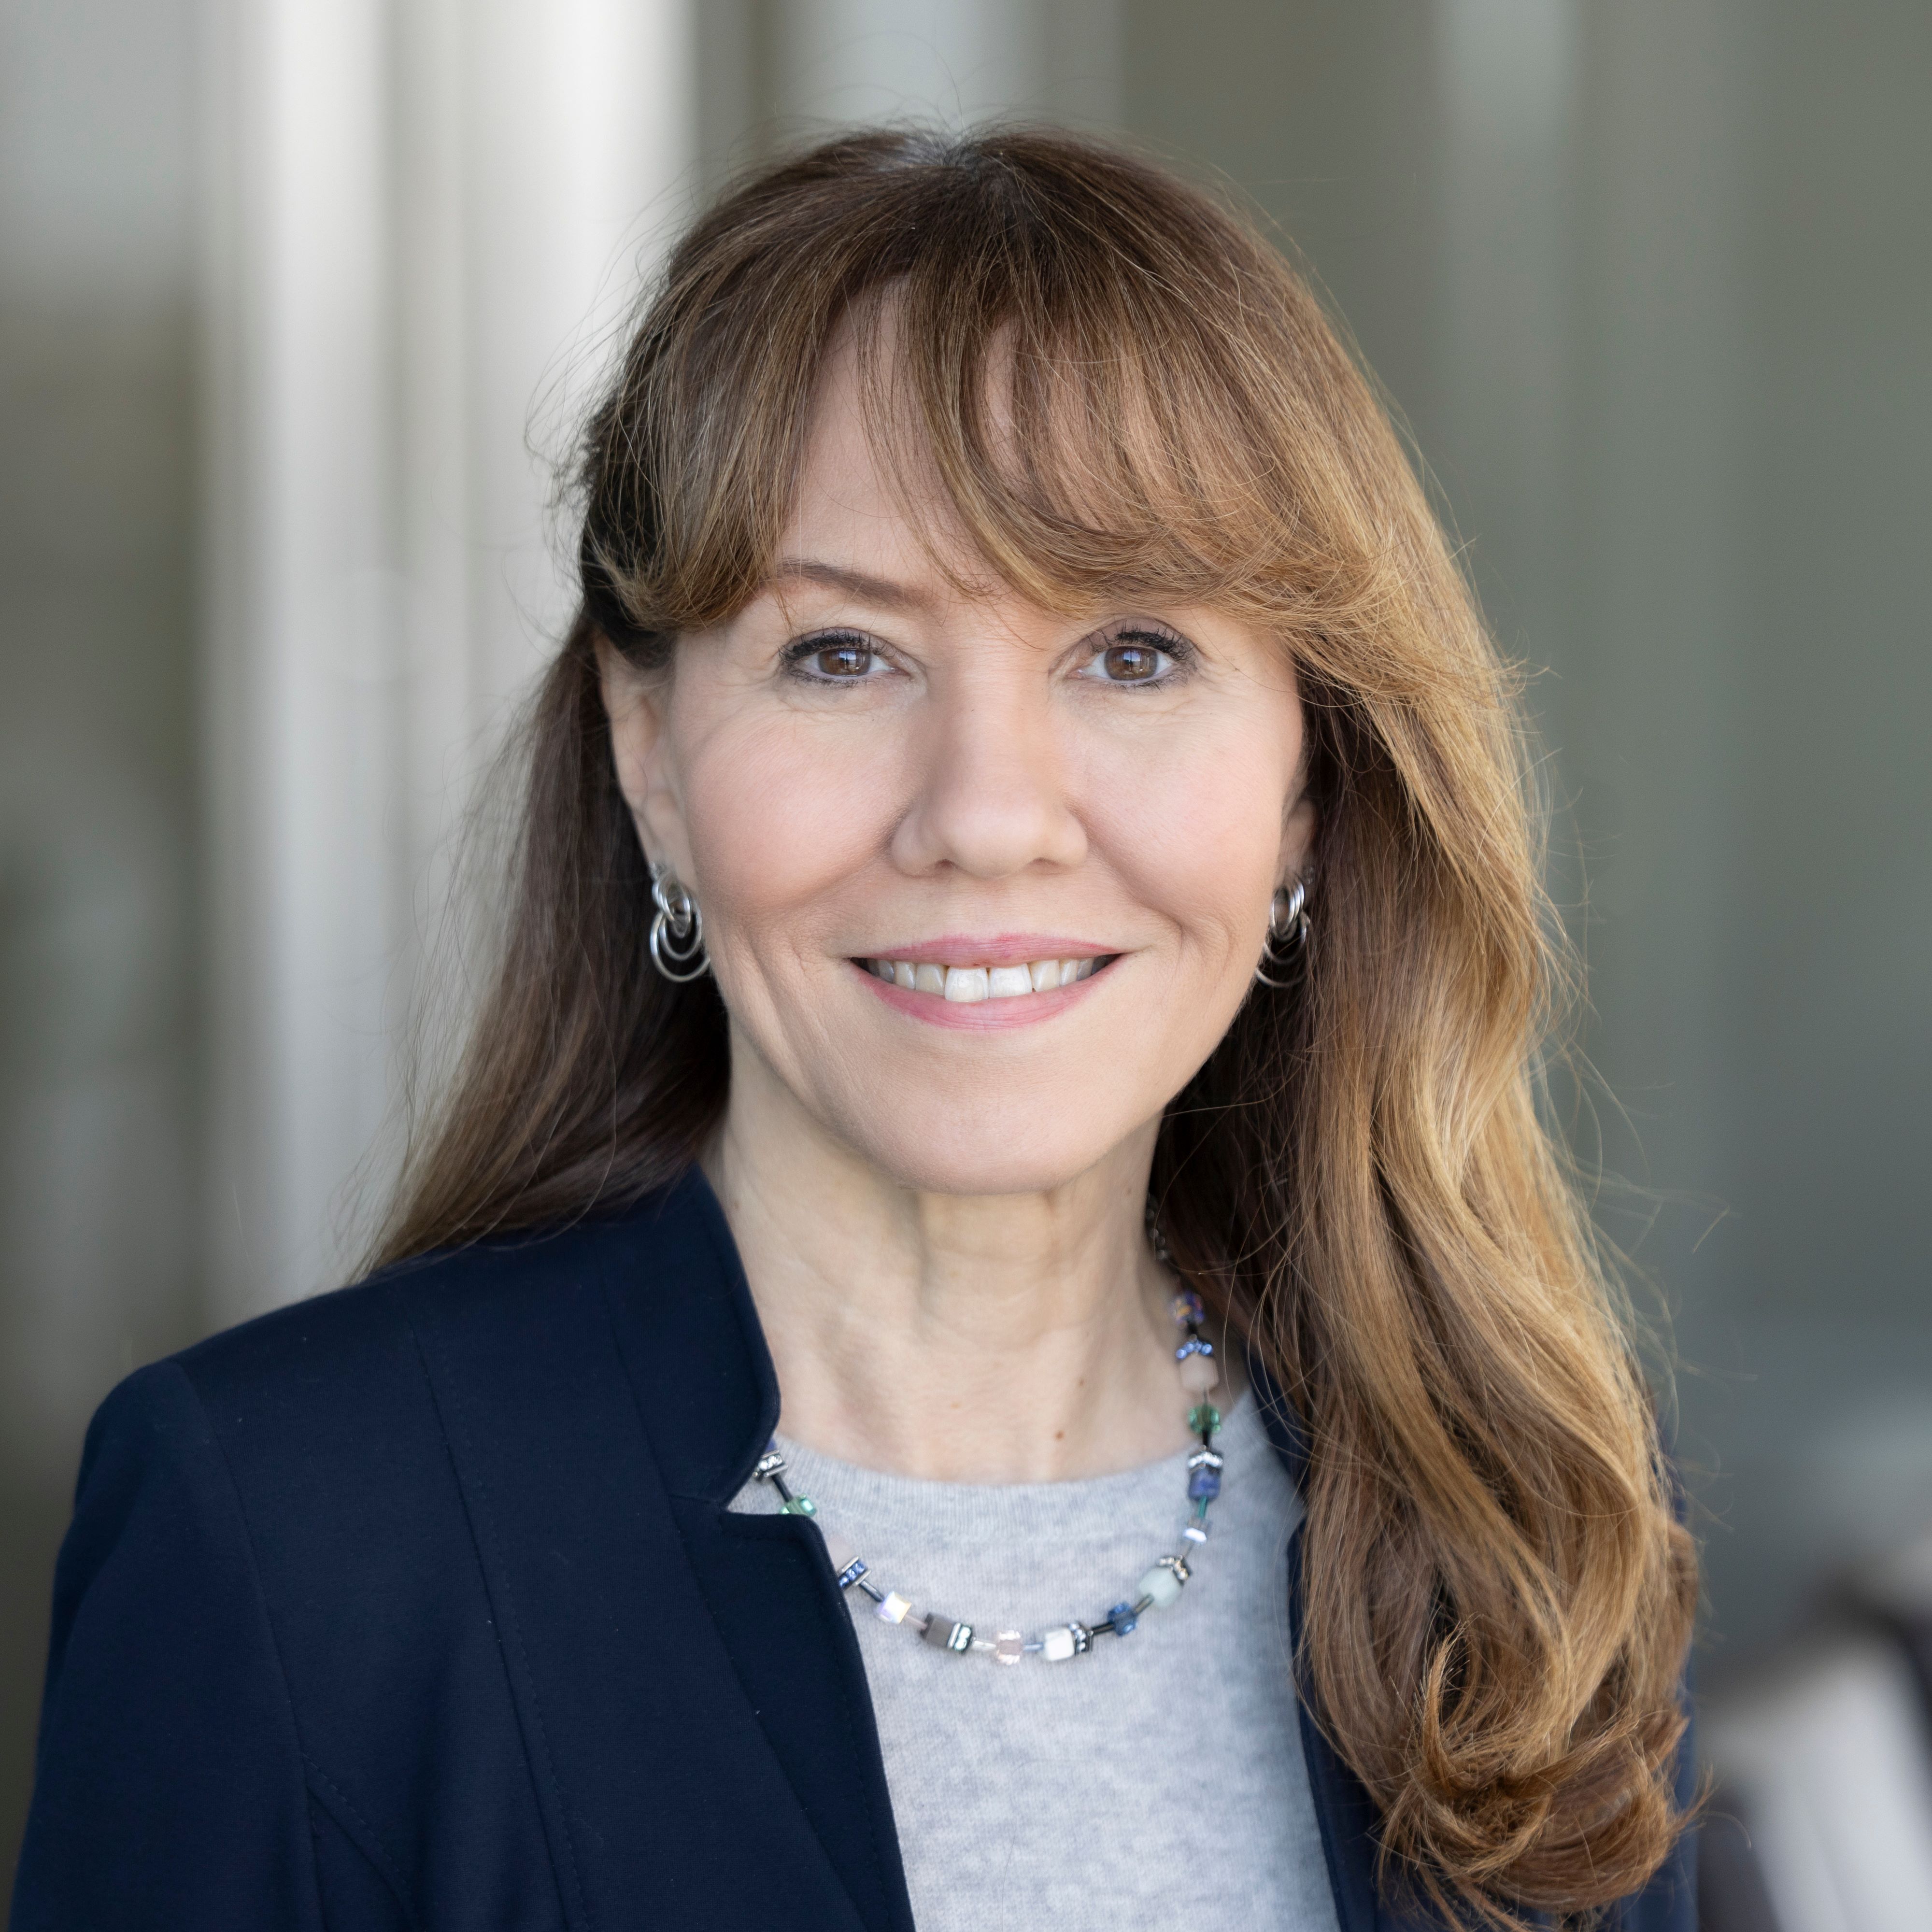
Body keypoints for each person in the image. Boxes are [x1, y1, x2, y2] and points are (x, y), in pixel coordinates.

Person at [12, 128, 1698, 1931]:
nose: (986, 812)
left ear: (1306, 789)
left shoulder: (1523, 1540)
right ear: (648, 755)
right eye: (842, 653)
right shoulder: (291, 1542)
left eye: (1131, 651)